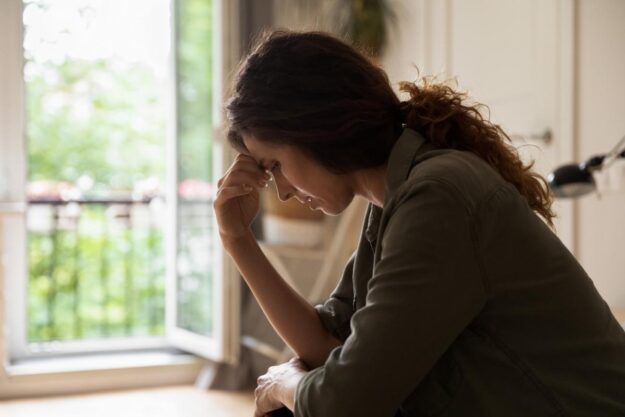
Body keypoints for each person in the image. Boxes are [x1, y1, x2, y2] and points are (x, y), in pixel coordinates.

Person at [215, 30, 625, 417]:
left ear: (314, 129)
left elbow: (345, 403)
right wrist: (237, 239)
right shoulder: (394, 200)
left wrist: (285, 383)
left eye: (276, 166)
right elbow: (330, 344)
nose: (282, 191)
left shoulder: (437, 198)